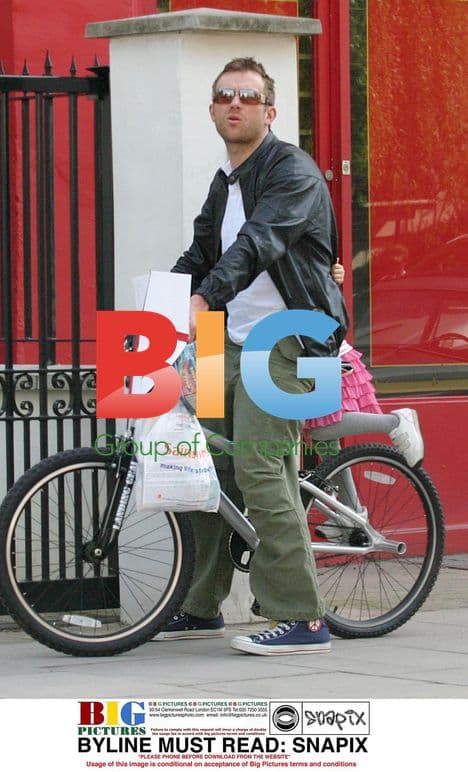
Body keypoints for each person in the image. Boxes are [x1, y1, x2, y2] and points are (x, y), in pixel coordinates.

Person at [153, 57, 348, 655]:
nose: (234, 104)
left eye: (248, 96)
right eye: (224, 96)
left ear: (270, 110)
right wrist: (157, 303)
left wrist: (207, 295)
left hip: (292, 334)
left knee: (262, 468)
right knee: (204, 470)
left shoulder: (293, 171)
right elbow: (200, 255)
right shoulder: (225, 181)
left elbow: (258, 244)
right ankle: (201, 605)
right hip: (226, 339)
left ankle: (303, 618)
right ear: (213, 109)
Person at [305, 261, 424, 469]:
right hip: (322, 354)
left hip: (327, 356)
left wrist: (332, 274)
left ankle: (394, 422)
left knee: (321, 430)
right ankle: (351, 503)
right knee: (328, 450)